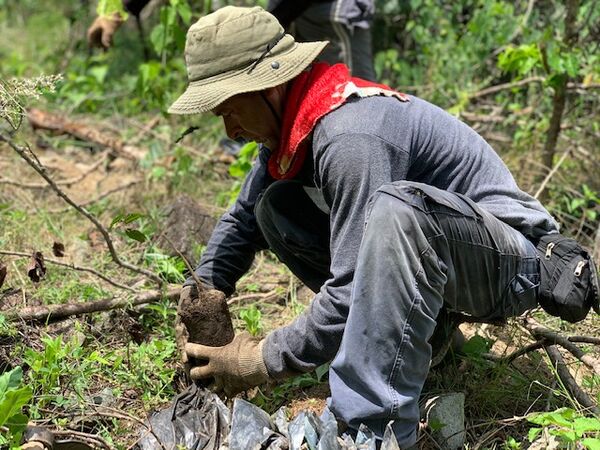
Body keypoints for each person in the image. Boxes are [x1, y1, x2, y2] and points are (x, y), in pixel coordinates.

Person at [169, 6, 558, 448]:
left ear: (270, 87)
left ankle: (375, 429)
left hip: (512, 262)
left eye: (231, 110)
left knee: (394, 214)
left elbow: (352, 287)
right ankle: (431, 342)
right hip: (445, 250)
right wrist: (202, 287)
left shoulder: (351, 136)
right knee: (274, 207)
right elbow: (242, 218)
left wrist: (259, 359)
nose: (230, 129)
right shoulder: (298, 124)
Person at [87, 0, 376, 80]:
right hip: (288, 13)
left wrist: (262, 30)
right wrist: (119, 9)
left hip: (329, 11)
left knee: (351, 97)